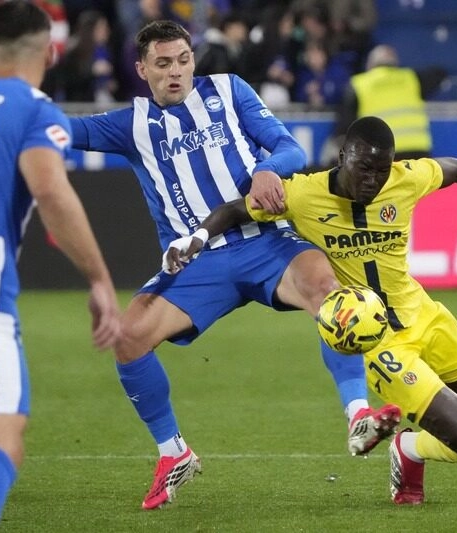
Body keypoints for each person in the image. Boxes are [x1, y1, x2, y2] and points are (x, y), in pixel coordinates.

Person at [68, 20, 399, 510]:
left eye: (182, 59)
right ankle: (173, 453)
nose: (175, 72)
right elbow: (57, 129)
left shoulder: (229, 91)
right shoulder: (129, 124)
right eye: (163, 64)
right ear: (142, 70)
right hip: (198, 259)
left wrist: (269, 168)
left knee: (331, 295)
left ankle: (358, 417)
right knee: (129, 336)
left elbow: (290, 147)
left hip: (266, 240)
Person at [164, 116, 457, 504]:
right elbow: (237, 210)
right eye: (365, 168)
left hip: (423, 314)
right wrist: (197, 237)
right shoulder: (305, 194)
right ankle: (409, 446)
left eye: (381, 170)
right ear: (343, 157)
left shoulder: (405, 179)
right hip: (378, 343)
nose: (374, 181)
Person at [0, 2, 121, 531]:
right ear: (52, 52)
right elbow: (52, 194)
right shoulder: (35, 111)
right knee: (1, 438)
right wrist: (101, 280)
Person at [321, 44, 447, 167]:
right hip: (419, 152)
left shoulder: (359, 84)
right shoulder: (411, 78)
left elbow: (345, 124)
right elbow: (441, 74)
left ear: (370, 64)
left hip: (383, 153)